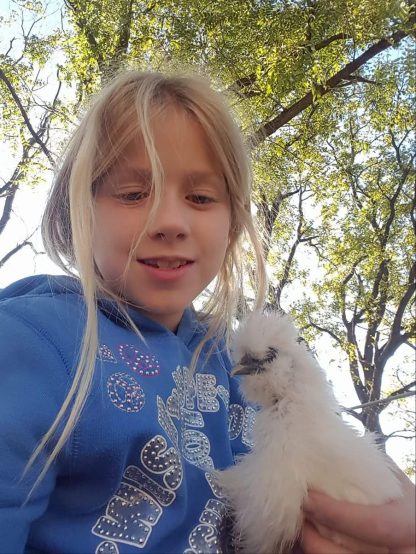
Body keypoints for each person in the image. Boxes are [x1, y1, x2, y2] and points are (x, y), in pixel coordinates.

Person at [0, 70, 414, 554]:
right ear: (80, 210)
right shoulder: (34, 343)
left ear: (233, 223)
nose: (169, 222)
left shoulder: (236, 368)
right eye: (133, 194)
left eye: (200, 198)